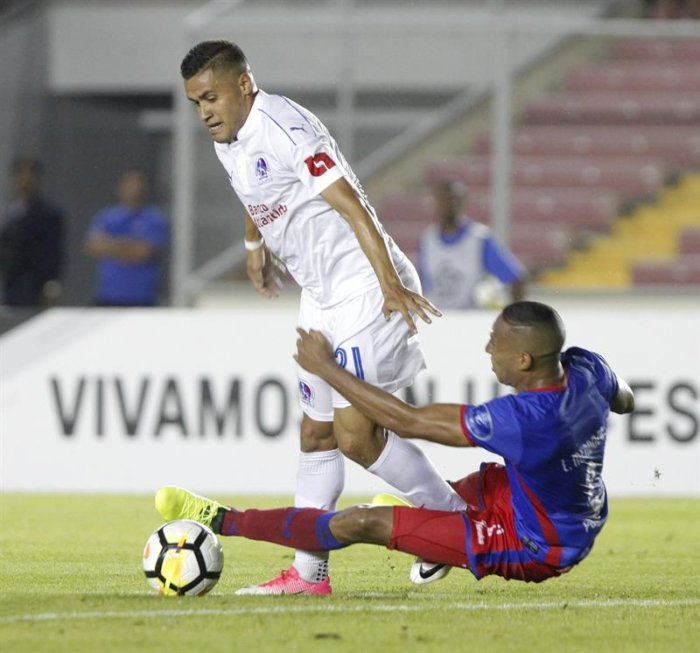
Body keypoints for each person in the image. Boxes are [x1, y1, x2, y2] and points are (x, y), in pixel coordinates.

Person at [177, 39, 466, 595]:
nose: (204, 112)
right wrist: (253, 247)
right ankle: (308, 575)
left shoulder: (286, 127)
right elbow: (255, 191)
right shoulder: (229, 138)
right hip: (321, 294)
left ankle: (453, 523)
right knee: (315, 433)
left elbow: (351, 202)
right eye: (195, 103)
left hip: (365, 287)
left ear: (243, 84)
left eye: (210, 97)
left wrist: (389, 283)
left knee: (356, 437)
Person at [156, 301, 635, 587]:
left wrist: (327, 370)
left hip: (535, 544)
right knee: (437, 495)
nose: (489, 350)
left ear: (526, 359)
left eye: (497, 343)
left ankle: (223, 520)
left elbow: (405, 421)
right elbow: (625, 400)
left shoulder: (526, 419)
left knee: (361, 521)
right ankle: (432, 541)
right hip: (538, 497)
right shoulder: (585, 368)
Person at [417, 180, 526, 310]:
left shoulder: (479, 239)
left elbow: (516, 278)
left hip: (471, 320)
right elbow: (422, 284)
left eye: (453, 199)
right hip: (438, 320)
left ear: (463, 202)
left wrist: (513, 317)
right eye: (443, 199)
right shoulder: (428, 240)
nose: (448, 204)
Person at [84, 169, 169, 307]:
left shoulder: (155, 219)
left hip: (142, 295)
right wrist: (129, 245)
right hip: (108, 294)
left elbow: (143, 252)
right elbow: (93, 246)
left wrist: (111, 245)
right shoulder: (106, 216)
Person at [0, 157, 64, 307]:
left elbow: (53, 251)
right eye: (20, 175)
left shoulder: (49, 213)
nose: (24, 181)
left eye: (29, 175)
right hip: (10, 279)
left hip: (35, 280)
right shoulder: (9, 210)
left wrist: (51, 284)